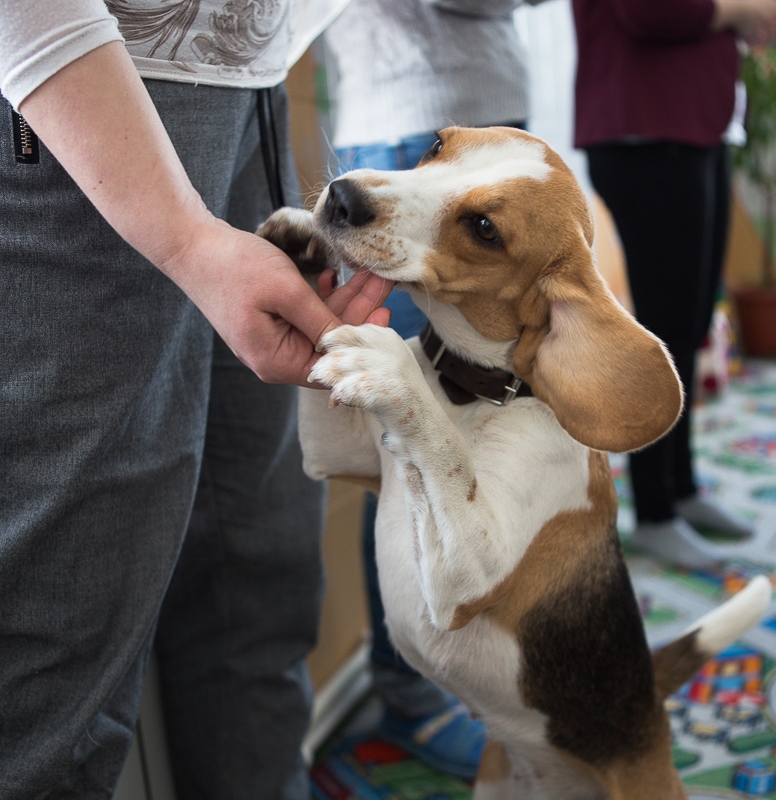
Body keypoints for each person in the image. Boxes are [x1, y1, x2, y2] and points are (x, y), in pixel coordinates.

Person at [0, 3, 391, 798]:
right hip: (28, 84)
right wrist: (185, 236)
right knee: (47, 682)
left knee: (255, 597)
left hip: (242, 87)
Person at [319, 0, 536, 779]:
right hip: (418, 129)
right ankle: (408, 695)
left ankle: (460, 675)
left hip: (473, 124)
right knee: (411, 438)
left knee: (481, 428)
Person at [571, 0, 776, 570]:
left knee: (690, 320)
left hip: (695, 127)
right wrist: (745, 10)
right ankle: (653, 510)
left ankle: (680, 487)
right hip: (647, 128)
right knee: (663, 326)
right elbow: (651, 12)